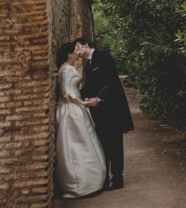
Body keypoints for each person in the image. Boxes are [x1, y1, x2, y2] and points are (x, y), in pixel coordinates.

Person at [74, 37, 134, 191]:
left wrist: (99, 99)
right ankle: (105, 178)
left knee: (115, 144)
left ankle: (118, 178)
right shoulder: (89, 64)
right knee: (103, 144)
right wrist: (74, 95)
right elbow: (90, 86)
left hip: (112, 109)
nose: (77, 51)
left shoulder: (103, 57)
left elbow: (111, 81)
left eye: (78, 47)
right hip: (99, 112)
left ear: (86, 45)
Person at [54, 41, 106, 198]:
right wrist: (81, 102)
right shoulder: (65, 69)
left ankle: (90, 180)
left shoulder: (70, 67)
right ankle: (76, 184)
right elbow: (65, 93)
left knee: (84, 142)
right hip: (70, 109)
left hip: (77, 108)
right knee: (74, 145)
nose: (79, 52)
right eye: (76, 50)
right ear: (69, 54)